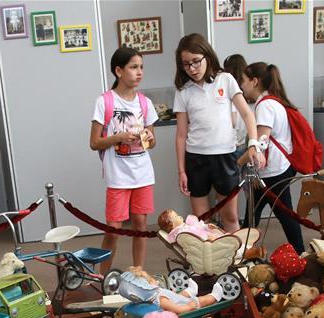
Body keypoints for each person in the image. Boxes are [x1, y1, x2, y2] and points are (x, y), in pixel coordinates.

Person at [173, 33, 264, 233]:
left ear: (207, 56)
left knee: (230, 217)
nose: (192, 69)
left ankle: (235, 261)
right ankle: (206, 263)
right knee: (200, 223)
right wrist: (181, 170)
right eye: (186, 64)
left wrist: (253, 144)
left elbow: (248, 115)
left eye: (196, 61)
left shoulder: (225, 79)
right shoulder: (183, 91)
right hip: (196, 158)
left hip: (224, 156)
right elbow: (181, 134)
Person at [89, 47, 158, 275]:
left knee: (140, 226)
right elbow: (94, 142)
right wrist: (118, 138)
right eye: (133, 67)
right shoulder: (105, 101)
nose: (139, 73)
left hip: (143, 173)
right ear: (118, 71)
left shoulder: (145, 103)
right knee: (113, 229)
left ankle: (139, 272)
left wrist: (148, 137)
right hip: (118, 176)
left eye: (141, 67)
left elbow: (152, 142)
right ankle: (102, 276)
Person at [240, 62, 306, 253]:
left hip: (272, 171)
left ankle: (300, 253)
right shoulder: (274, 102)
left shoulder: (265, 105)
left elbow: (261, 143)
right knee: (253, 215)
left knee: (283, 215)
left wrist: (240, 161)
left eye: (244, 81)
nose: (242, 86)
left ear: (254, 81)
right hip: (275, 169)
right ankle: (245, 252)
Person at [223, 54, 249, 163]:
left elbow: (232, 122)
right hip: (244, 143)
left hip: (234, 145)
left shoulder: (231, 92)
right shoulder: (246, 93)